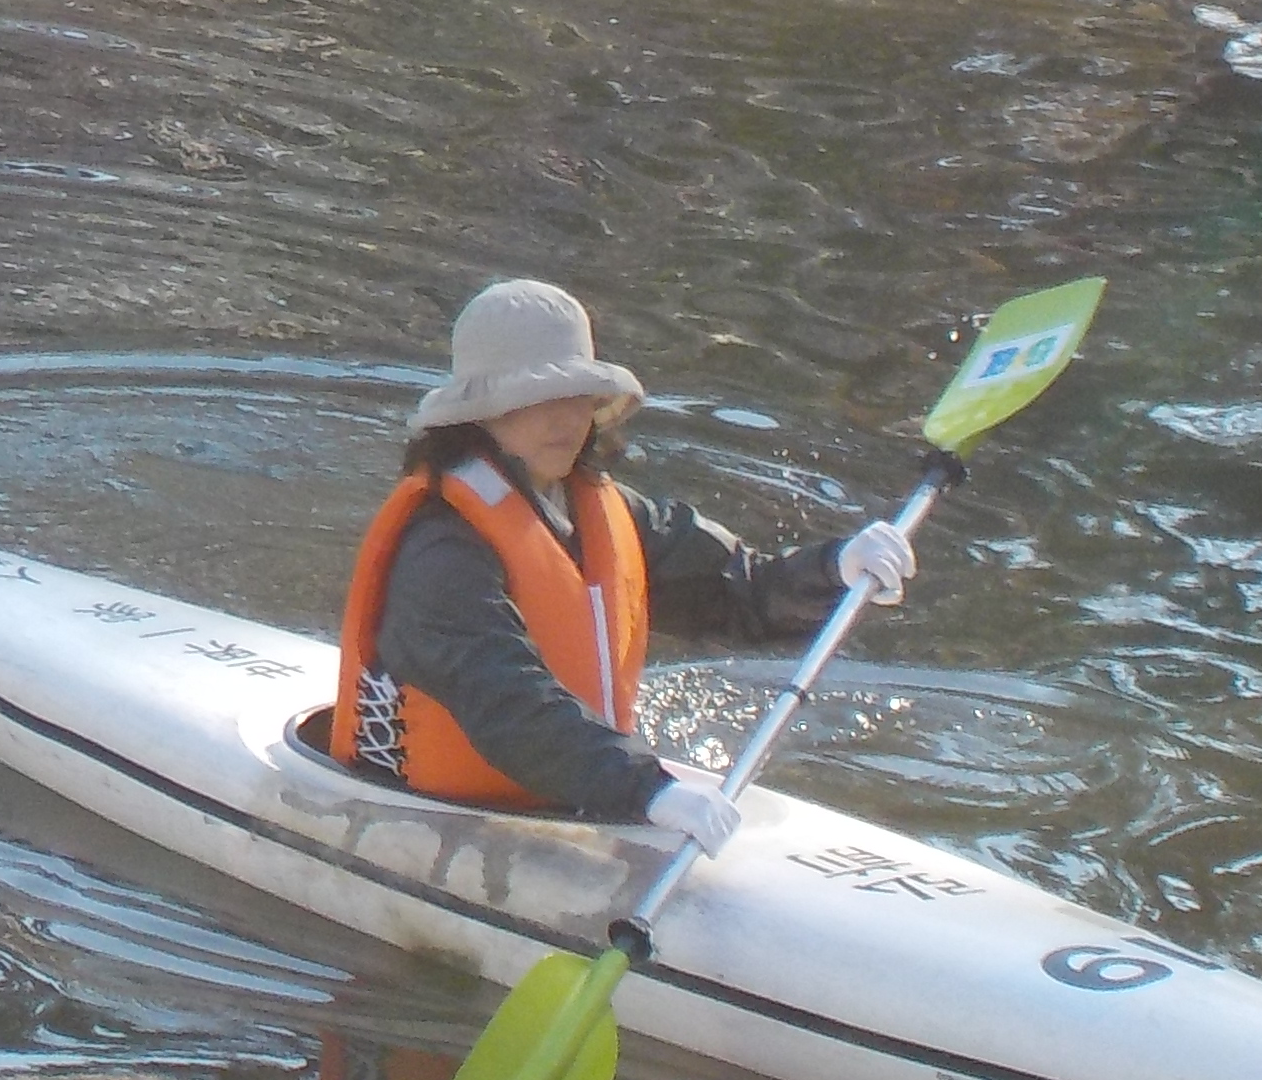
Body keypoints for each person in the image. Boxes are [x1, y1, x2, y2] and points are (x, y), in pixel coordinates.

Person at [329, 279, 915, 858]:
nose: (565, 418)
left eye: (578, 395)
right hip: (433, 816)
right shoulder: (440, 548)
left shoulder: (608, 512)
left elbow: (740, 589)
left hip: (582, 789)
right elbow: (504, 698)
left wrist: (837, 568)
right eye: (537, 399)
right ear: (480, 414)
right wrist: (645, 789)